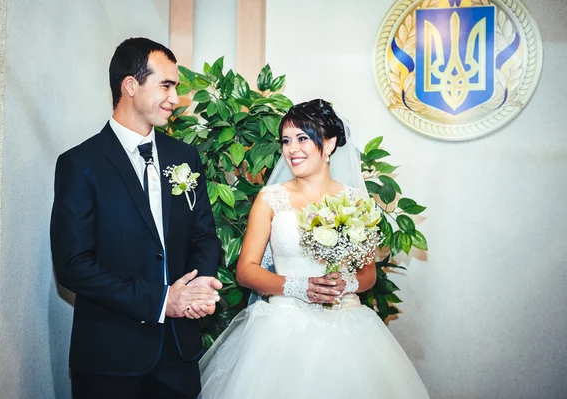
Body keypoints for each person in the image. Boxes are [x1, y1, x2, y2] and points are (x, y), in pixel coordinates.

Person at [199, 99, 430, 398]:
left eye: (303, 138)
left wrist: (345, 283)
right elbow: (245, 272)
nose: (292, 149)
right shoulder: (269, 199)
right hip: (281, 331)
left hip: (347, 330)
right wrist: (299, 286)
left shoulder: (357, 201)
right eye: (286, 140)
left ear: (330, 143)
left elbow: (369, 274)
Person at [50, 37, 222, 399]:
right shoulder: (80, 164)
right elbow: (73, 265)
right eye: (166, 85)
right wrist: (161, 301)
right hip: (110, 358)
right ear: (130, 85)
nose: (175, 98)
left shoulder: (185, 158)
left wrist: (201, 284)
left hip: (178, 353)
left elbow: (204, 235)